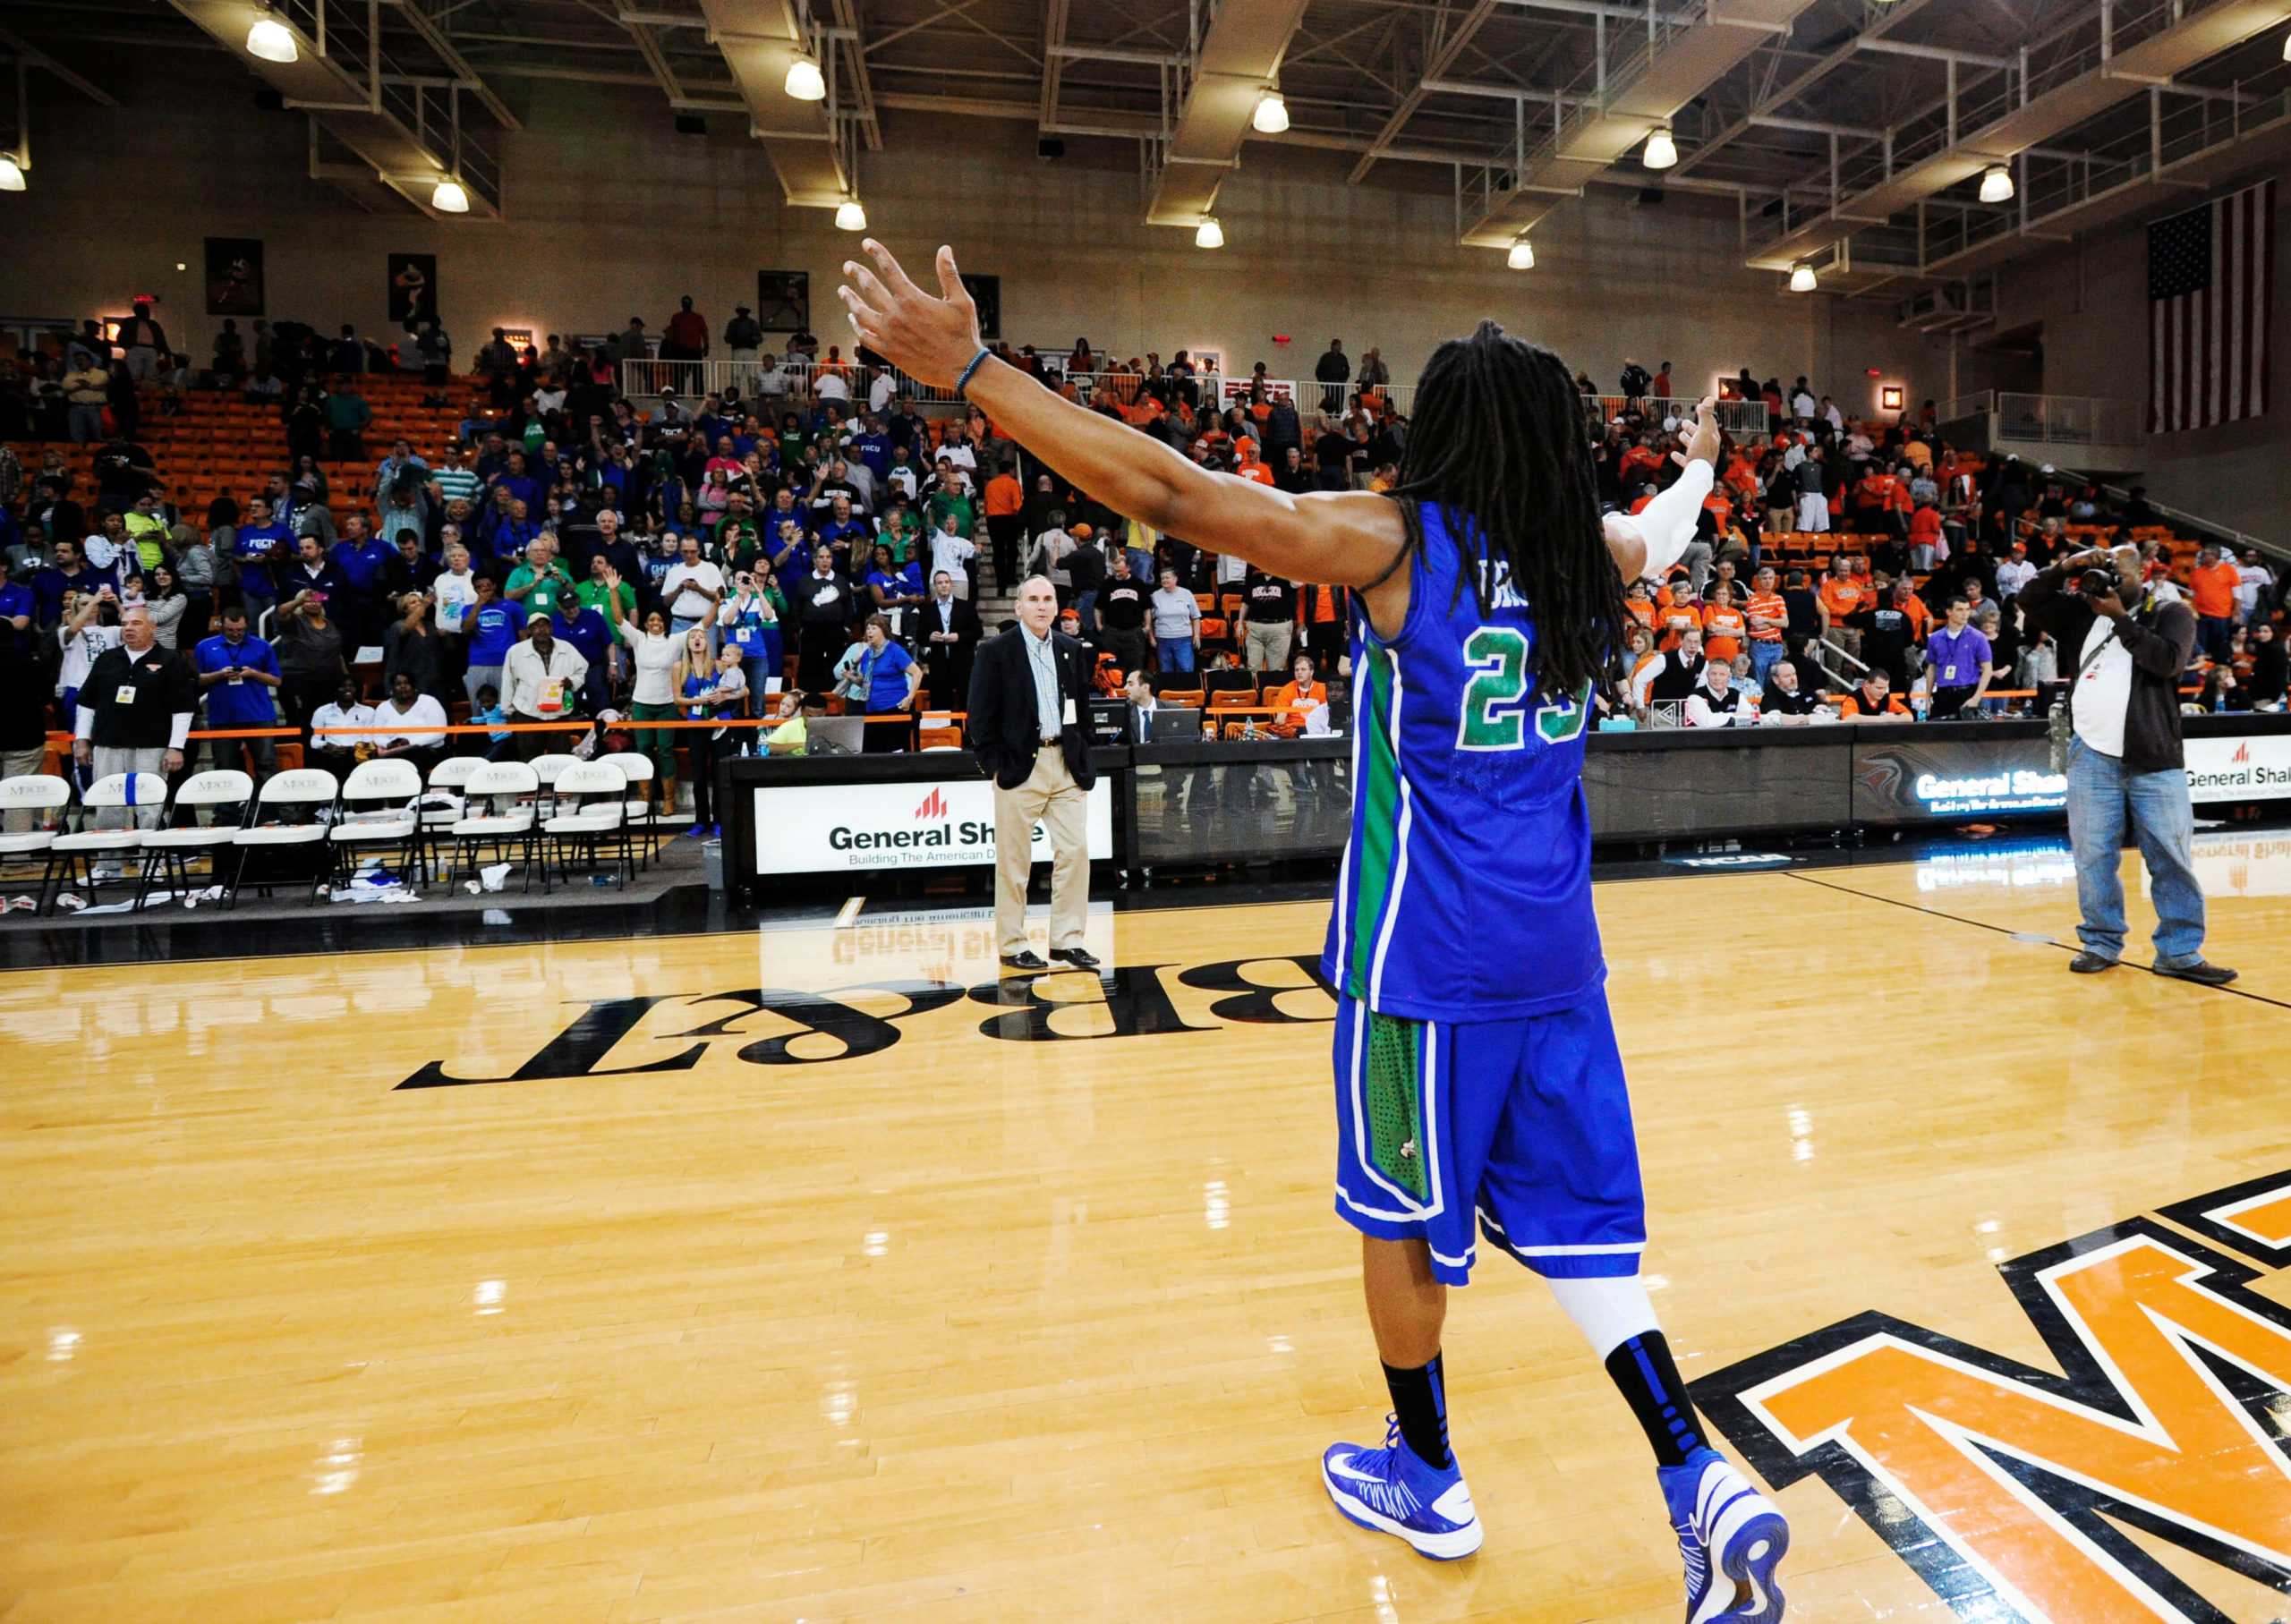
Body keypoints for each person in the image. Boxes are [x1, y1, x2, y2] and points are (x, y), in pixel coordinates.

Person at [841, 241, 1785, 1609]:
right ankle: (1701, 1473)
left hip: (1422, 962)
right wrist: (1699, 461)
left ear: (1450, 433)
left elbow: (1173, 490)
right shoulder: (1594, 553)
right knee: (1584, 1237)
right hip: (1559, 959)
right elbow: (1676, 527)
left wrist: (977, 373)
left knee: (1398, 1223)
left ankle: (1429, 1467)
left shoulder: (1402, 542)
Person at [2022, 543, 2235, 983]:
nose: (2107, 578)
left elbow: (2168, 662)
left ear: (2141, 573)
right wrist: (2067, 566)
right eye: (2102, 569)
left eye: (2115, 569)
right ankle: (2101, 941)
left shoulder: (2171, 613)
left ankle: (2179, 951)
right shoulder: (2082, 614)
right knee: (2093, 856)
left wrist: (2120, 617)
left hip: (2155, 760)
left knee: (2170, 857)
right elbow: (2029, 598)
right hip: (2091, 754)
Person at [965, 574, 1099, 970]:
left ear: (1056, 607)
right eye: (1034, 599)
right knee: (1013, 862)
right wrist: (994, 764)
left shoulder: (1071, 648)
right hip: (1020, 767)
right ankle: (1012, 944)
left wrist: (1082, 749)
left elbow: (1082, 709)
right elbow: (980, 718)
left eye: (1048, 599)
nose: (1042, 606)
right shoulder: (995, 652)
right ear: (1018, 607)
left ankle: (1066, 940)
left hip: (1065, 765)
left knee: (1075, 852)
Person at [71, 604, 194, 831]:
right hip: (107, 743)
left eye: (136, 623)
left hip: (152, 745)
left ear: (152, 628)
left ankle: (152, 861)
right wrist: (81, 740)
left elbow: (183, 708)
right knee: (107, 803)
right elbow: (87, 704)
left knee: (150, 805)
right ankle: (109, 862)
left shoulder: (170, 660)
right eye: (125, 623)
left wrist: (176, 747)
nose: (128, 628)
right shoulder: (107, 658)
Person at [600, 574, 684, 818]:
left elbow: (703, 626)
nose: (655, 623)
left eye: (659, 620)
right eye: (651, 620)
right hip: (642, 704)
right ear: (645, 624)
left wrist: (716, 603)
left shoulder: (675, 641)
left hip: (667, 704)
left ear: (665, 623)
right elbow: (618, 618)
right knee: (644, 749)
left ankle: (669, 801)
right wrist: (614, 590)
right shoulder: (638, 639)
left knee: (666, 750)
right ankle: (645, 799)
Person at [192, 607, 283, 779]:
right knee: (225, 767)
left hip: (259, 715)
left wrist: (253, 673)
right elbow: (195, 680)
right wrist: (219, 674)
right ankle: (229, 806)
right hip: (222, 717)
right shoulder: (204, 646)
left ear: (247, 625)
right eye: (230, 630)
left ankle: (268, 806)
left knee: (267, 765)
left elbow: (276, 680)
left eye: (240, 630)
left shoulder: (262, 646)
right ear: (221, 626)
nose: (236, 634)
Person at [675, 633, 745, 835]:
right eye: (693, 637)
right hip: (696, 723)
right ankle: (700, 821)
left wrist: (724, 695)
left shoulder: (719, 664)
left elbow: (744, 690)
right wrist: (701, 701)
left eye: (701, 637)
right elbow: (678, 700)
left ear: (707, 643)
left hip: (720, 722)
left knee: (719, 773)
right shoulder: (679, 667)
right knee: (698, 775)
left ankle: (719, 821)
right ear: (687, 643)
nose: (697, 640)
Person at [501, 609, 590, 759]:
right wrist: (507, 710)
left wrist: (572, 682)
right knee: (530, 758)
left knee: (561, 759)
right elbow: (508, 681)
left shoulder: (566, 648)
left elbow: (582, 670)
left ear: (552, 628)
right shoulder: (516, 651)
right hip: (528, 711)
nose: (541, 630)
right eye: (536, 627)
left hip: (559, 712)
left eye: (545, 626)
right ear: (529, 630)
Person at [917, 567, 982, 706]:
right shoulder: (927, 610)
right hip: (938, 664)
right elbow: (919, 636)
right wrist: (930, 637)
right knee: (940, 703)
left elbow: (977, 632)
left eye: (946, 582)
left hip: (963, 663)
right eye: (940, 583)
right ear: (935, 586)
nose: (944, 585)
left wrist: (959, 637)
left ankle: (968, 728)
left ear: (951, 584)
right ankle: (943, 727)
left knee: (966, 702)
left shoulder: (966, 606)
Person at [1923, 596, 1993, 719]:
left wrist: (1976, 698)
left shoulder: (1978, 637)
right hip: (1942, 693)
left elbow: (1987, 669)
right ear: (1949, 612)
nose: (1965, 614)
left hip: (1967, 693)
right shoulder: (1935, 638)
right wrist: (1927, 697)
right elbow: (1931, 668)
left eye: (1967, 609)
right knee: (1939, 735)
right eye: (1960, 610)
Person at [370, 671, 449, 777]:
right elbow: (378, 736)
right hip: (393, 752)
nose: (403, 686)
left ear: (414, 687)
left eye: (406, 683)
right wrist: (389, 744)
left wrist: (409, 742)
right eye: (398, 684)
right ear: (392, 689)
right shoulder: (383, 707)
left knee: (412, 760)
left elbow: (439, 733)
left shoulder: (429, 702)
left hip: (427, 751)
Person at [306, 676, 374, 782]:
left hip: (357, 754)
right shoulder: (322, 711)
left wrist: (353, 748)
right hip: (331, 754)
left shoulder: (368, 711)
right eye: (343, 686)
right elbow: (314, 741)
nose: (348, 689)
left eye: (351, 686)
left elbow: (369, 740)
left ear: (357, 689)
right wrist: (327, 746)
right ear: (336, 690)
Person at [1149, 565, 1200, 675]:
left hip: (1184, 639)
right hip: (1162, 640)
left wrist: (1196, 635)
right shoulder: (1155, 596)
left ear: (1175, 579)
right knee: (1166, 672)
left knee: (1186, 670)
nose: (1164, 580)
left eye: (1167, 577)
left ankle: (1186, 692)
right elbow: (1149, 619)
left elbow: (1195, 617)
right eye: (1162, 578)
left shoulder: (1187, 594)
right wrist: (1151, 637)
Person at [1682, 653, 1742, 727]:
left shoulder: (1736, 694)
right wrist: (1734, 715)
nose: (1717, 678)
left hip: (1731, 737)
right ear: (1707, 675)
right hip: (1701, 738)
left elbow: (1753, 717)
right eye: (1713, 674)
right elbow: (1707, 722)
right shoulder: (1695, 696)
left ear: (1729, 677)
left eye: (1722, 674)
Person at [1837, 667, 1908, 718]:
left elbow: (1909, 716)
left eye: (1885, 688)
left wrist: (1893, 718)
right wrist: (1882, 719)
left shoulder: (1887, 698)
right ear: (1867, 684)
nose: (1882, 692)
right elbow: (1849, 718)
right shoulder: (1853, 698)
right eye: (1878, 688)